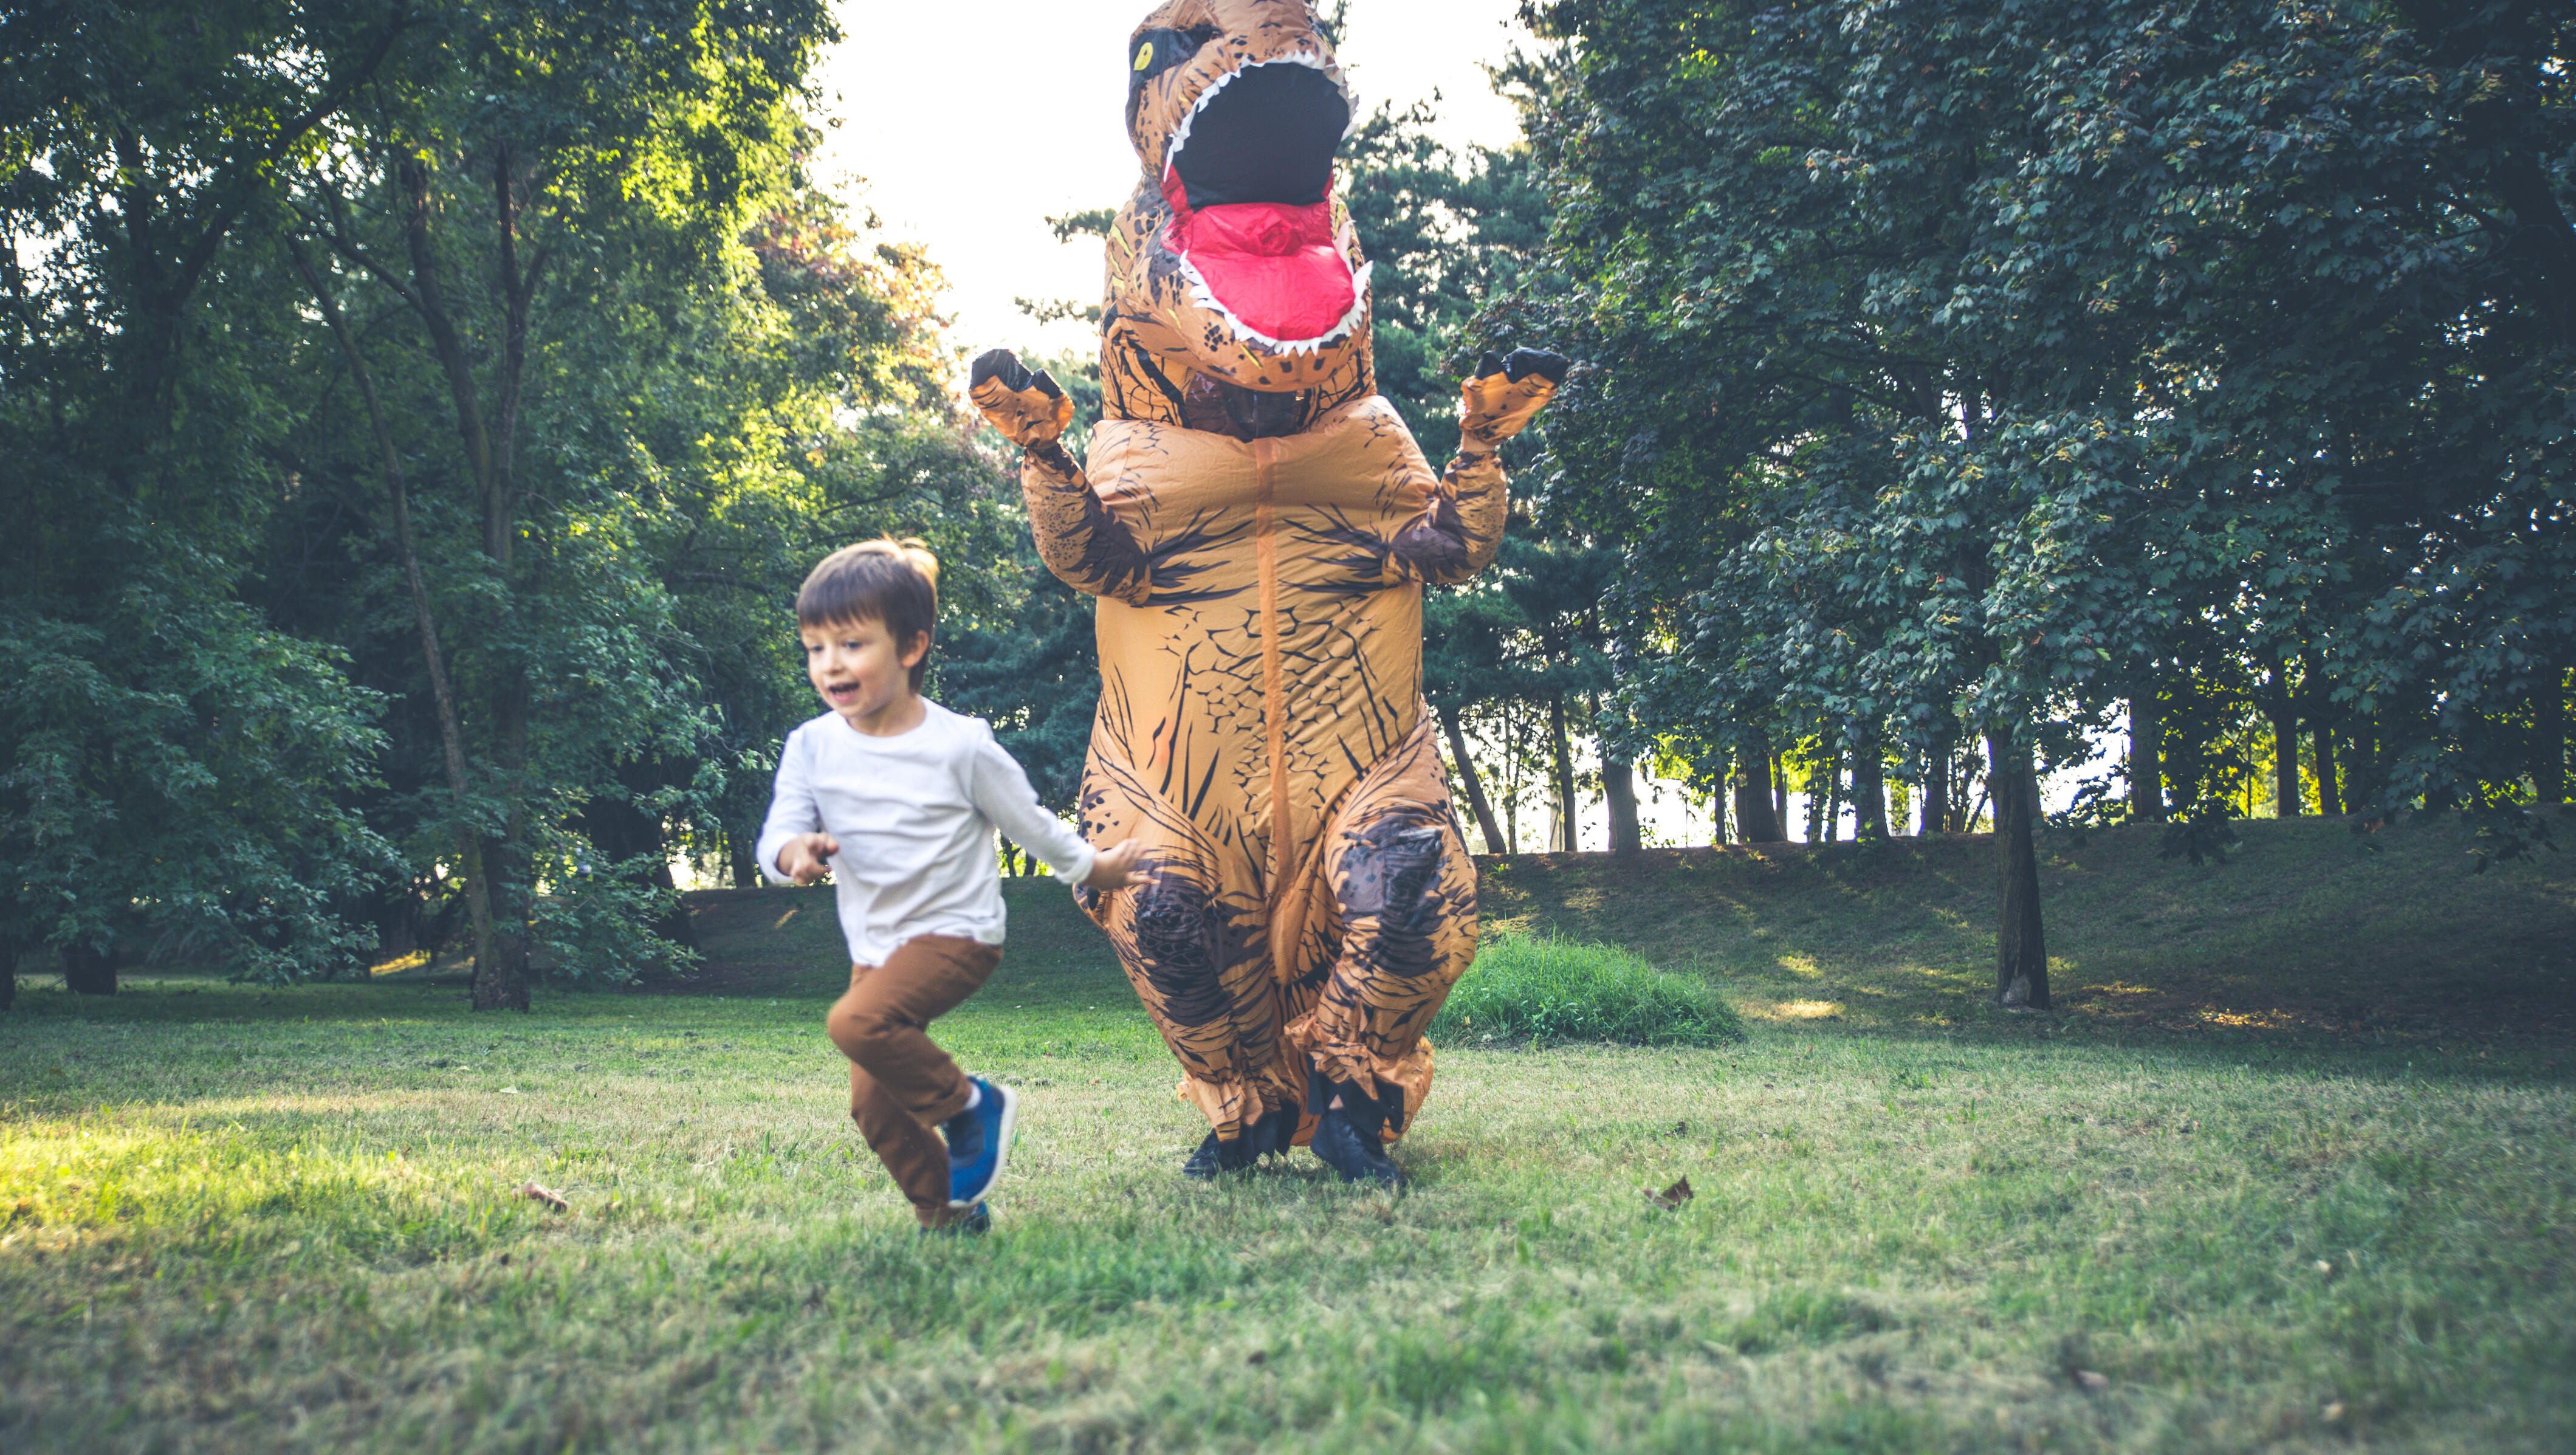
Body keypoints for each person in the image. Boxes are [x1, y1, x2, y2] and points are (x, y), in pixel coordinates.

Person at [757, 538, 1139, 1233]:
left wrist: (1094, 868)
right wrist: (793, 852)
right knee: (873, 1105)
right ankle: (948, 1211)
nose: (830, 664)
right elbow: (778, 828)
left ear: (910, 648)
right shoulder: (812, 746)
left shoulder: (960, 745)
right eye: (815, 648)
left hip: (958, 934)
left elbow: (1031, 824)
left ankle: (972, 1109)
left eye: (850, 644)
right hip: (877, 944)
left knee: (853, 1022)